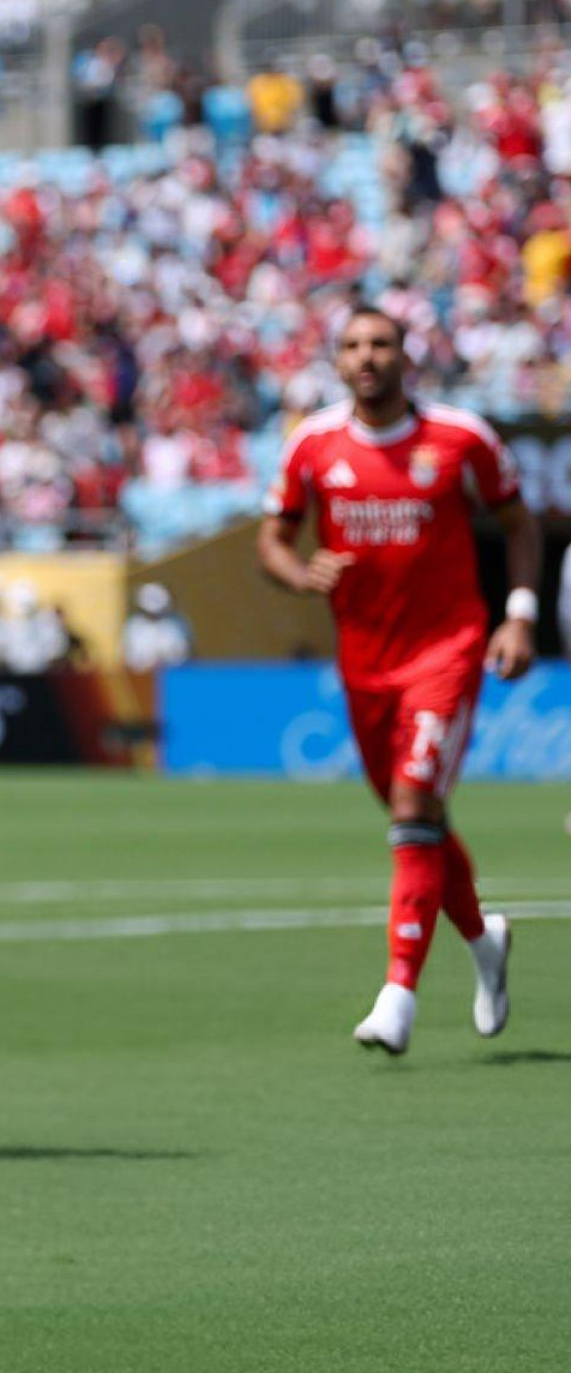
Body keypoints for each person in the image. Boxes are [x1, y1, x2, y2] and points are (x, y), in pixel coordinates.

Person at [259, 305, 533, 1053]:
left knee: (413, 806)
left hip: (446, 650)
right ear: (337, 361)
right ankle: (483, 941)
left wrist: (518, 615)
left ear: (406, 356)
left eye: (380, 343)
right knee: (418, 819)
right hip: (364, 662)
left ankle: (397, 997)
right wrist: (298, 573)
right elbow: (273, 538)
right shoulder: (312, 444)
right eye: (352, 345)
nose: (366, 356)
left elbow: (518, 524)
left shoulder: (460, 437)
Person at [121, 581, 193, 672]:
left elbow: (184, 653)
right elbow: (127, 656)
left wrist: (165, 660)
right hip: (141, 675)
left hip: (172, 674)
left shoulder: (175, 624)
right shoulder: (133, 626)